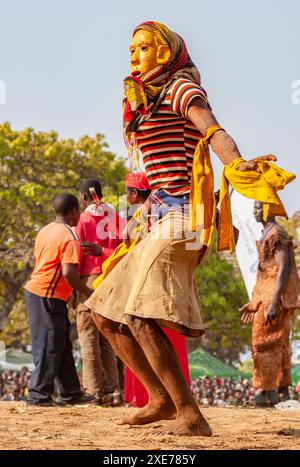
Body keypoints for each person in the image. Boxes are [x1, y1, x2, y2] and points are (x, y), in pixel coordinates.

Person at [86, 21, 294, 436]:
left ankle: (191, 415)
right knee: (102, 313)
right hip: (156, 218)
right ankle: (160, 399)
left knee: (139, 315)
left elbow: (212, 130)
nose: (133, 56)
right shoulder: (142, 100)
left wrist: (235, 162)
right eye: (130, 50)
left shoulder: (181, 88)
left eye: (143, 49)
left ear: (165, 54)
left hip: (183, 218)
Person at [123, 172, 191, 407]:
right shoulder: (159, 212)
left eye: (127, 192)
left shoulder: (144, 216)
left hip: (150, 281)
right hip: (168, 281)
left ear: (134, 193)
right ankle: (170, 398)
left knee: (146, 332)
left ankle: (152, 397)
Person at [24, 193, 94, 406]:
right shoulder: (69, 236)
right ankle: (37, 394)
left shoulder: (45, 230)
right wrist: (89, 293)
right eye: (78, 211)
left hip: (42, 293)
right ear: (73, 211)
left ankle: (71, 393)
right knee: (49, 345)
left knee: (61, 344)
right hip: (47, 295)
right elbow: (68, 273)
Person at [240, 201, 300, 406]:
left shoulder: (277, 234)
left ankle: (267, 391)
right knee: (278, 342)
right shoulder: (269, 232)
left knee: (264, 342)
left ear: (269, 209)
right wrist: (254, 301)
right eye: (255, 207)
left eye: (259, 207)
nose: (255, 211)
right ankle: (280, 390)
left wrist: (274, 301)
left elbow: (282, 269)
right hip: (267, 295)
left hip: (275, 297)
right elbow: (265, 273)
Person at [74, 179, 124, 405]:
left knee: (88, 338)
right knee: (107, 338)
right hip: (112, 279)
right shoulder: (114, 217)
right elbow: (127, 246)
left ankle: (93, 392)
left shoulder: (82, 219)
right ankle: (113, 391)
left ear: (84, 197)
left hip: (90, 279)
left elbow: (77, 255)